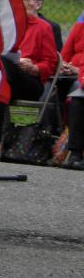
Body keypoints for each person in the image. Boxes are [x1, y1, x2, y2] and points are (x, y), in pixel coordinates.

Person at [0, 0, 57, 157]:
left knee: (0, 73)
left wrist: (34, 67)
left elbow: (50, 64)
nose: (27, 3)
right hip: (6, 80)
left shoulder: (43, 28)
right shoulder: (5, 26)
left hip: (30, 82)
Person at [57, 12, 84, 170]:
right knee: (55, 87)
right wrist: (64, 65)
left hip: (79, 75)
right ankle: (73, 153)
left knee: (77, 93)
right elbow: (66, 52)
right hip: (74, 73)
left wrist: (78, 71)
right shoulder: (81, 21)